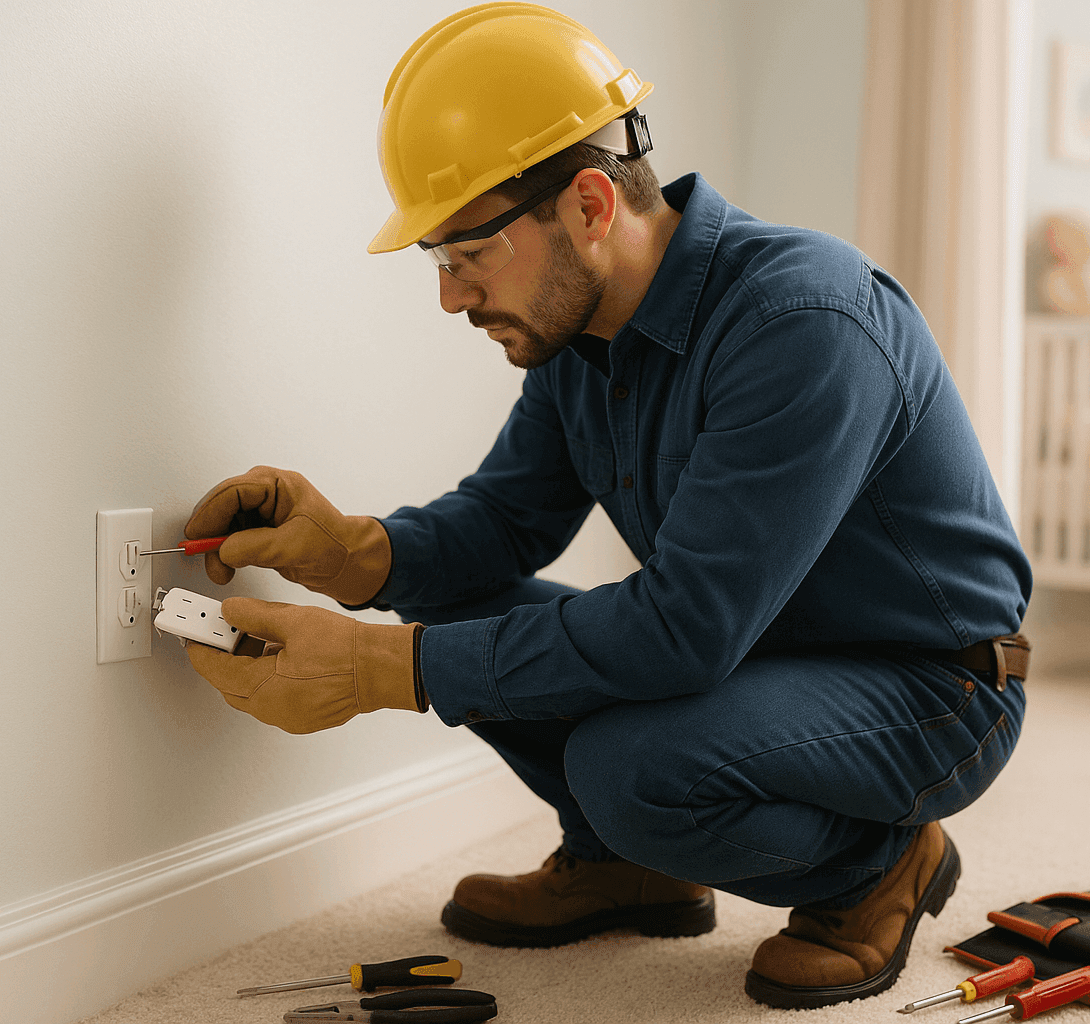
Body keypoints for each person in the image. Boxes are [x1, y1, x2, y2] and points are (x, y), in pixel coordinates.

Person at [182, 3, 1033, 1010]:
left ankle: (876, 866)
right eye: (438, 262)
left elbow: (684, 629)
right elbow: (501, 526)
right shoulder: (580, 334)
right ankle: (629, 866)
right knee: (460, 607)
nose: (452, 298)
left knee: (633, 768)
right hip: (752, 655)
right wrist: (352, 552)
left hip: (930, 688)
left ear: (589, 205)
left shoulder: (803, 321)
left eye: (467, 254)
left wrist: (373, 671)